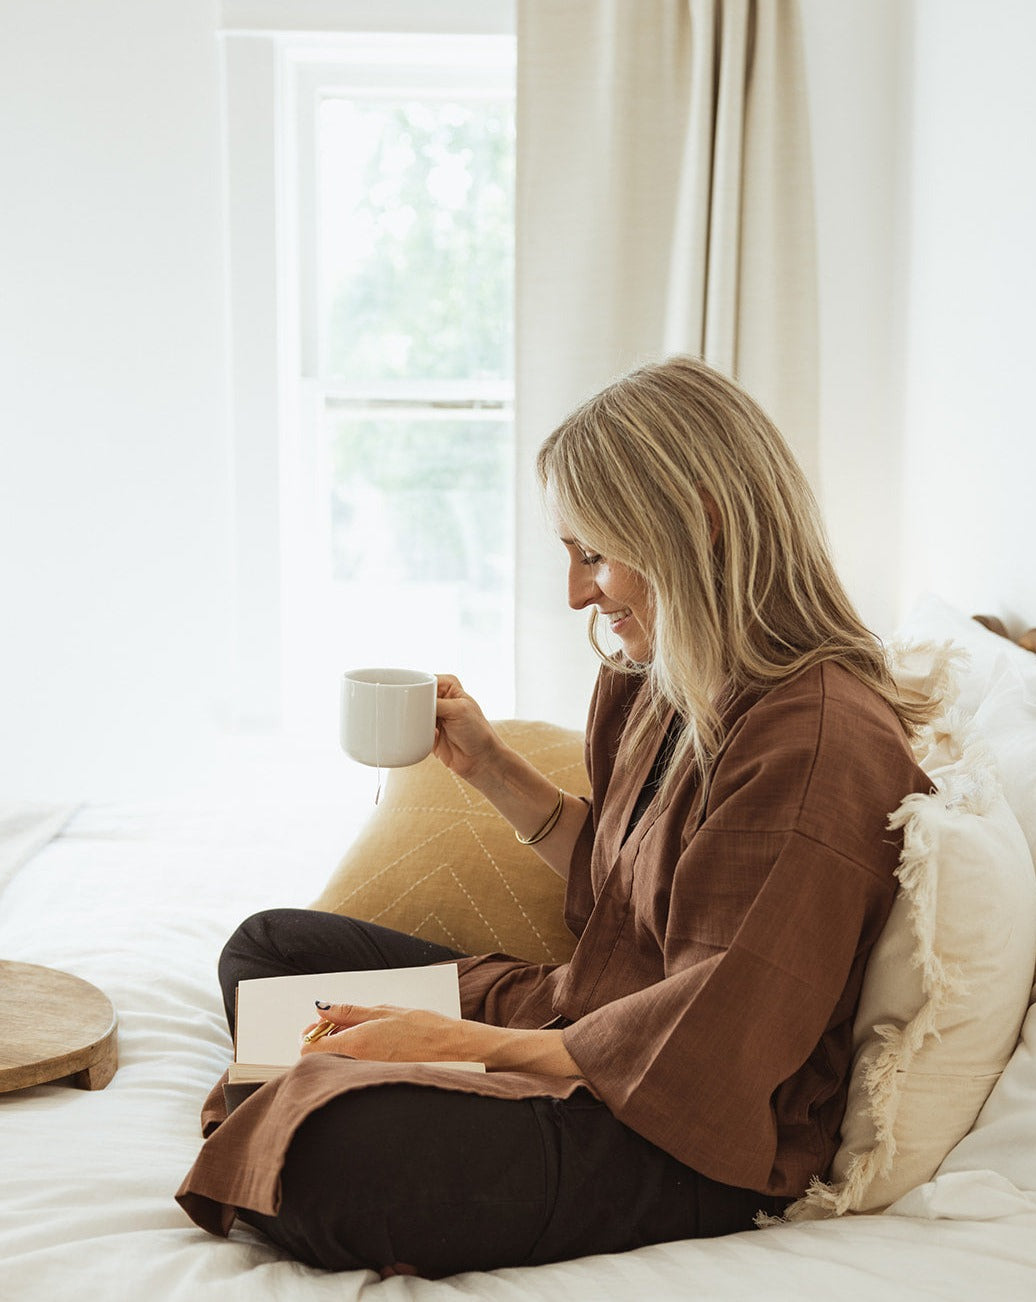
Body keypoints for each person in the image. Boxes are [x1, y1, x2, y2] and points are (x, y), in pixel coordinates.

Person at [176, 356, 933, 1278]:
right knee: (269, 952)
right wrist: (488, 766)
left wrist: (452, 1045)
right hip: (584, 1014)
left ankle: (343, 1093)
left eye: (594, 554)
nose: (578, 593)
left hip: (674, 1130)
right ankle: (340, 1079)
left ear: (696, 521)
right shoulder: (665, 677)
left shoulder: (816, 745)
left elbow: (711, 1044)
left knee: (332, 1159)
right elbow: (624, 888)